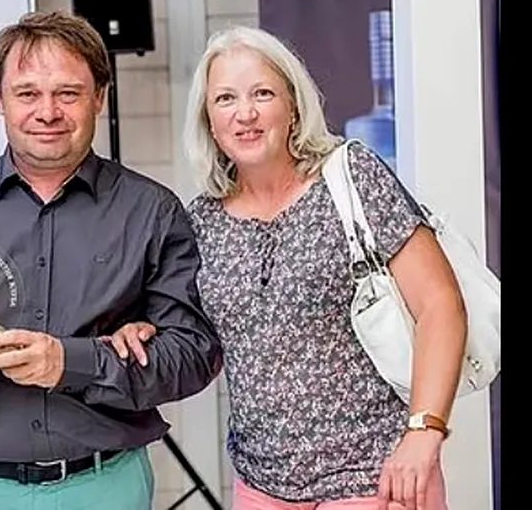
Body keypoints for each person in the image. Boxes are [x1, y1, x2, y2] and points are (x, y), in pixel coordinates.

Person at [0, 10, 224, 510]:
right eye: (27, 93)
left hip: (105, 488)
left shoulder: (152, 211)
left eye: (68, 93)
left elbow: (192, 354)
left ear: (99, 97)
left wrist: (72, 362)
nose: (48, 112)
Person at [113, 26, 467, 510]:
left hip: (376, 479)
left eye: (262, 93)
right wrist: (144, 328)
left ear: (294, 106)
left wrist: (424, 432)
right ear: (209, 121)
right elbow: (199, 335)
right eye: (226, 99)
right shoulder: (201, 222)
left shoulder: (352, 178)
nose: (245, 114)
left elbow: (440, 304)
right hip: (262, 486)